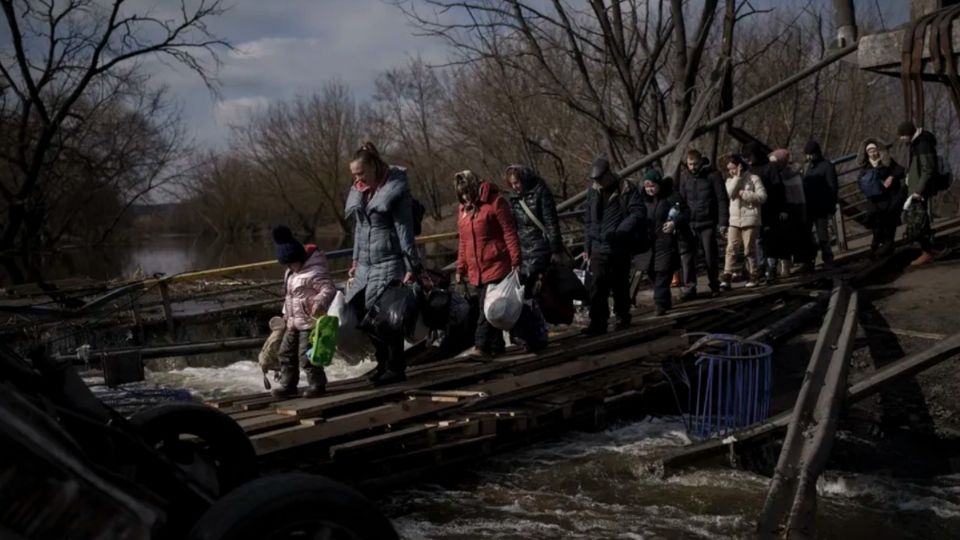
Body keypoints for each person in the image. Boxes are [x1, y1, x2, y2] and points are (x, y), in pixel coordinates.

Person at [344, 142, 421, 385]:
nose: (357, 178)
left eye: (361, 173)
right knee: (359, 312)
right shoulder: (361, 192)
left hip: (389, 261)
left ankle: (395, 367)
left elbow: (404, 231)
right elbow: (358, 230)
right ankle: (382, 363)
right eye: (354, 174)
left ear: (374, 167)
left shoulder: (395, 191)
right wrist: (355, 260)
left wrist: (411, 267)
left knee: (386, 316)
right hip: (366, 264)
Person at [453, 170, 522, 356]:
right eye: (462, 194)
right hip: (477, 268)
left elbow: (509, 231)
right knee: (488, 307)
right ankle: (496, 347)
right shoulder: (463, 210)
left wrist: (515, 259)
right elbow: (463, 241)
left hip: (496, 263)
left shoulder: (495, 202)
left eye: (468, 192)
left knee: (487, 309)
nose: (466, 197)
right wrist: (461, 267)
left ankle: (481, 345)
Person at [270, 225, 337, 399]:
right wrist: (285, 314)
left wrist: (320, 301)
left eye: (292, 263)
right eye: (287, 265)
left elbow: (329, 289)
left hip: (310, 321)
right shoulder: (290, 274)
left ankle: (317, 384)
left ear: (299, 258)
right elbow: (289, 297)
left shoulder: (315, 272)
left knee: (306, 355)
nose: (291, 267)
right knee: (285, 353)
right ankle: (288, 384)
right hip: (293, 322)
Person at [582, 158, 646, 334]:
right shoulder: (593, 192)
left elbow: (638, 212)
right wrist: (587, 244)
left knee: (619, 283)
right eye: (596, 180)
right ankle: (597, 322)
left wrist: (621, 231)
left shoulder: (626, 188)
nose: (599, 183)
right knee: (597, 285)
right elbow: (588, 219)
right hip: (598, 245)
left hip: (619, 244)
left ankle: (622, 315)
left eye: (601, 179)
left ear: (609, 174)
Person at [505, 165, 564, 296]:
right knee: (528, 291)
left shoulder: (540, 191)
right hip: (524, 250)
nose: (515, 187)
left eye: (517, 183)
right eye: (512, 184)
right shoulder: (514, 198)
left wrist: (555, 250)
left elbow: (551, 222)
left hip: (541, 248)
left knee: (542, 289)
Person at [677, 149, 729, 299]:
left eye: (695, 164)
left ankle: (714, 284)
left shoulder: (713, 175)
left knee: (710, 256)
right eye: (690, 164)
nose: (692, 167)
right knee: (687, 258)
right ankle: (690, 288)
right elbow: (681, 200)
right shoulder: (685, 177)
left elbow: (721, 199)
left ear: (701, 162)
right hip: (690, 224)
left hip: (707, 222)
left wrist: (723, 221)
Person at [742, 142, 788, 282]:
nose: (748, 159)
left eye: (749, 156)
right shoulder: (748, 171)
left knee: (771, 240)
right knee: (758, 240)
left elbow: (779, 189)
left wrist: (783, 208)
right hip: (755, 211)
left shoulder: (770, 167)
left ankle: (771, 268)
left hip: (771, 209)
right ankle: (762, 268)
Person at [641, 171, 685, 316]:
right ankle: (665, 300)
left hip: (666, 241)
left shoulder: (671, 197)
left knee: (663, 272)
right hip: (648, 243)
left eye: (652, 186)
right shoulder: (643, 201)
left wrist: (674, 223)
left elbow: (685, 213)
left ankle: (659, 303)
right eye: (647, 187)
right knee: (652, 272)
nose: (650, 190)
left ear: (658, 185)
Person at [721, 155, 767, 289]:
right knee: (731, 248)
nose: (732, 171)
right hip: (734, 220)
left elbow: (762, 197)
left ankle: (754, 275)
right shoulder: (730, 180)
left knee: (749, 249)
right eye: (729, 169)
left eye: (733, 168)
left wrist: (745, 194)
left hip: (750, 219)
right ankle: (727, 275)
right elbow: (729, 194)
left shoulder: (754, 179)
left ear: (740, 165)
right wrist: (738, 178)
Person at [897, 121, 938, 266]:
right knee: (921, 220)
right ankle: (928, 249)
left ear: (908, 134)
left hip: (919, 190)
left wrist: (918, 191)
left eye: (902, 136)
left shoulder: (922, 145)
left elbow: (928, 169)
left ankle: (927, 251)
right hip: (916, 188)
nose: (901, 139)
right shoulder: (917, 144)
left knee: (917, 221)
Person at [795, 140, 839, 272]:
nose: (809, 157)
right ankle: (808, 261)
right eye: (807, 155)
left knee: (823, 235)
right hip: (808, 207)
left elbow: (832, 188)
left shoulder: (827, 166)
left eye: (811, 154)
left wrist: (831, 207)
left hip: (821, 207)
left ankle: (828, 259)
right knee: (806, 235)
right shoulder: (808, 167)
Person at [858, 139, 905, 257]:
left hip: (889, 198)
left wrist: (891, 177)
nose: (873, 154)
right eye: (870, 151)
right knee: (876, 223)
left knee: (889, 223)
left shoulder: (887, 162)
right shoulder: (865, 166)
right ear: (866, 153)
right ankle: (876, 245)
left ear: (878, 151)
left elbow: (900, 170)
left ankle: (888, 247)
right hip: (874, 200)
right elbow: (860, 182)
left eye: (874, 151)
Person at [769, 149, 806, 276]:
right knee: (797, 235)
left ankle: (787, 265)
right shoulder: (795, 171)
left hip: (790, 206)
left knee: (789, 237)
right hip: (797, 205)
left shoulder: (780, 173)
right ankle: (799, 262)